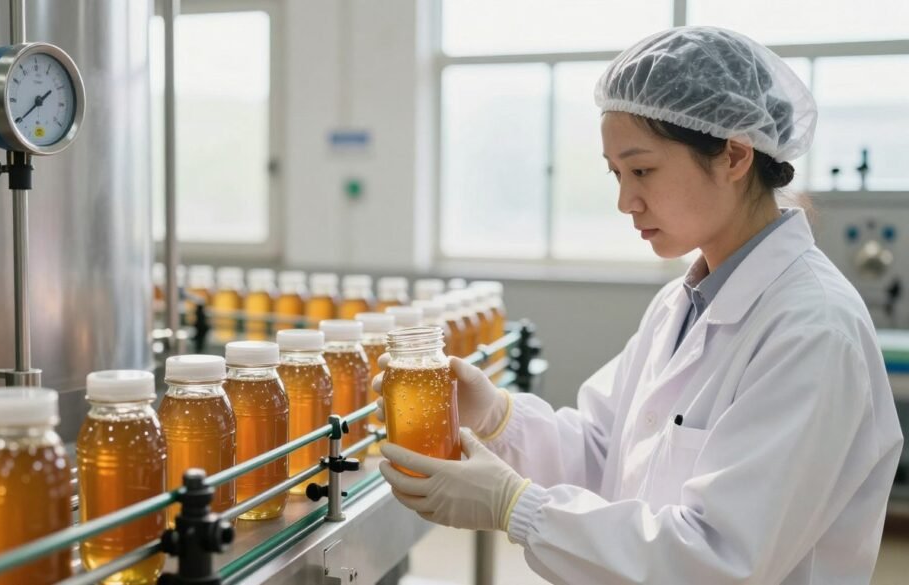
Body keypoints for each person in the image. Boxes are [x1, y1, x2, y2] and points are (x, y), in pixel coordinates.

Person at [376, 26, 903, 584]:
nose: (625, 201)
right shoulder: (682, 304)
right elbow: (606, 453)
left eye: (642, 170)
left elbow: (720, 560)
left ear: (734, 156)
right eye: (616, 173)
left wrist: (517, 507)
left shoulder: (813, 331)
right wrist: (498, 418)